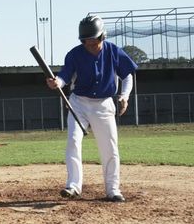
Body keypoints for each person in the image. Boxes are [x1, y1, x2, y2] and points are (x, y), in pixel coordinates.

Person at [46, 15, 138, 202]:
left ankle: (113, 190)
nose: (89, 43)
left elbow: (127, 75)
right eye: (85, 40)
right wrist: (57, 82)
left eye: (93, 39)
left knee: (109, 148)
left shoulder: (113, 51)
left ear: (102, 36)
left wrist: (125, 96)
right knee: (73, 141)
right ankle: (73, 185)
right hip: (78, 103)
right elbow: (65, 75)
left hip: (104, 104)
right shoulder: (75, 54)